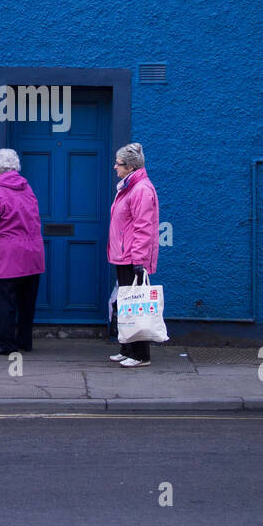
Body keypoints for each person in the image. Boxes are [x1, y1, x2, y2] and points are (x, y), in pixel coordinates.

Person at [0, 148, 45, 355]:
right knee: (26, 302)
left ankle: (7, 344)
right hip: (33, 255)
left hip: (7, 256)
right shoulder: (27, 189)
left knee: (5, 302)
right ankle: (24, 341)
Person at [108, 142, 159, 368]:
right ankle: (127, 348)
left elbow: (143, 227)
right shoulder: (129, 187)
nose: (114, 167)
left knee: (135, 306)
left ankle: (141, 355)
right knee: (126, 304)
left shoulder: (141, 190)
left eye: (118, 164)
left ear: (130, 167)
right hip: (124, 255)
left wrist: (139, 260)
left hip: (132, 258)